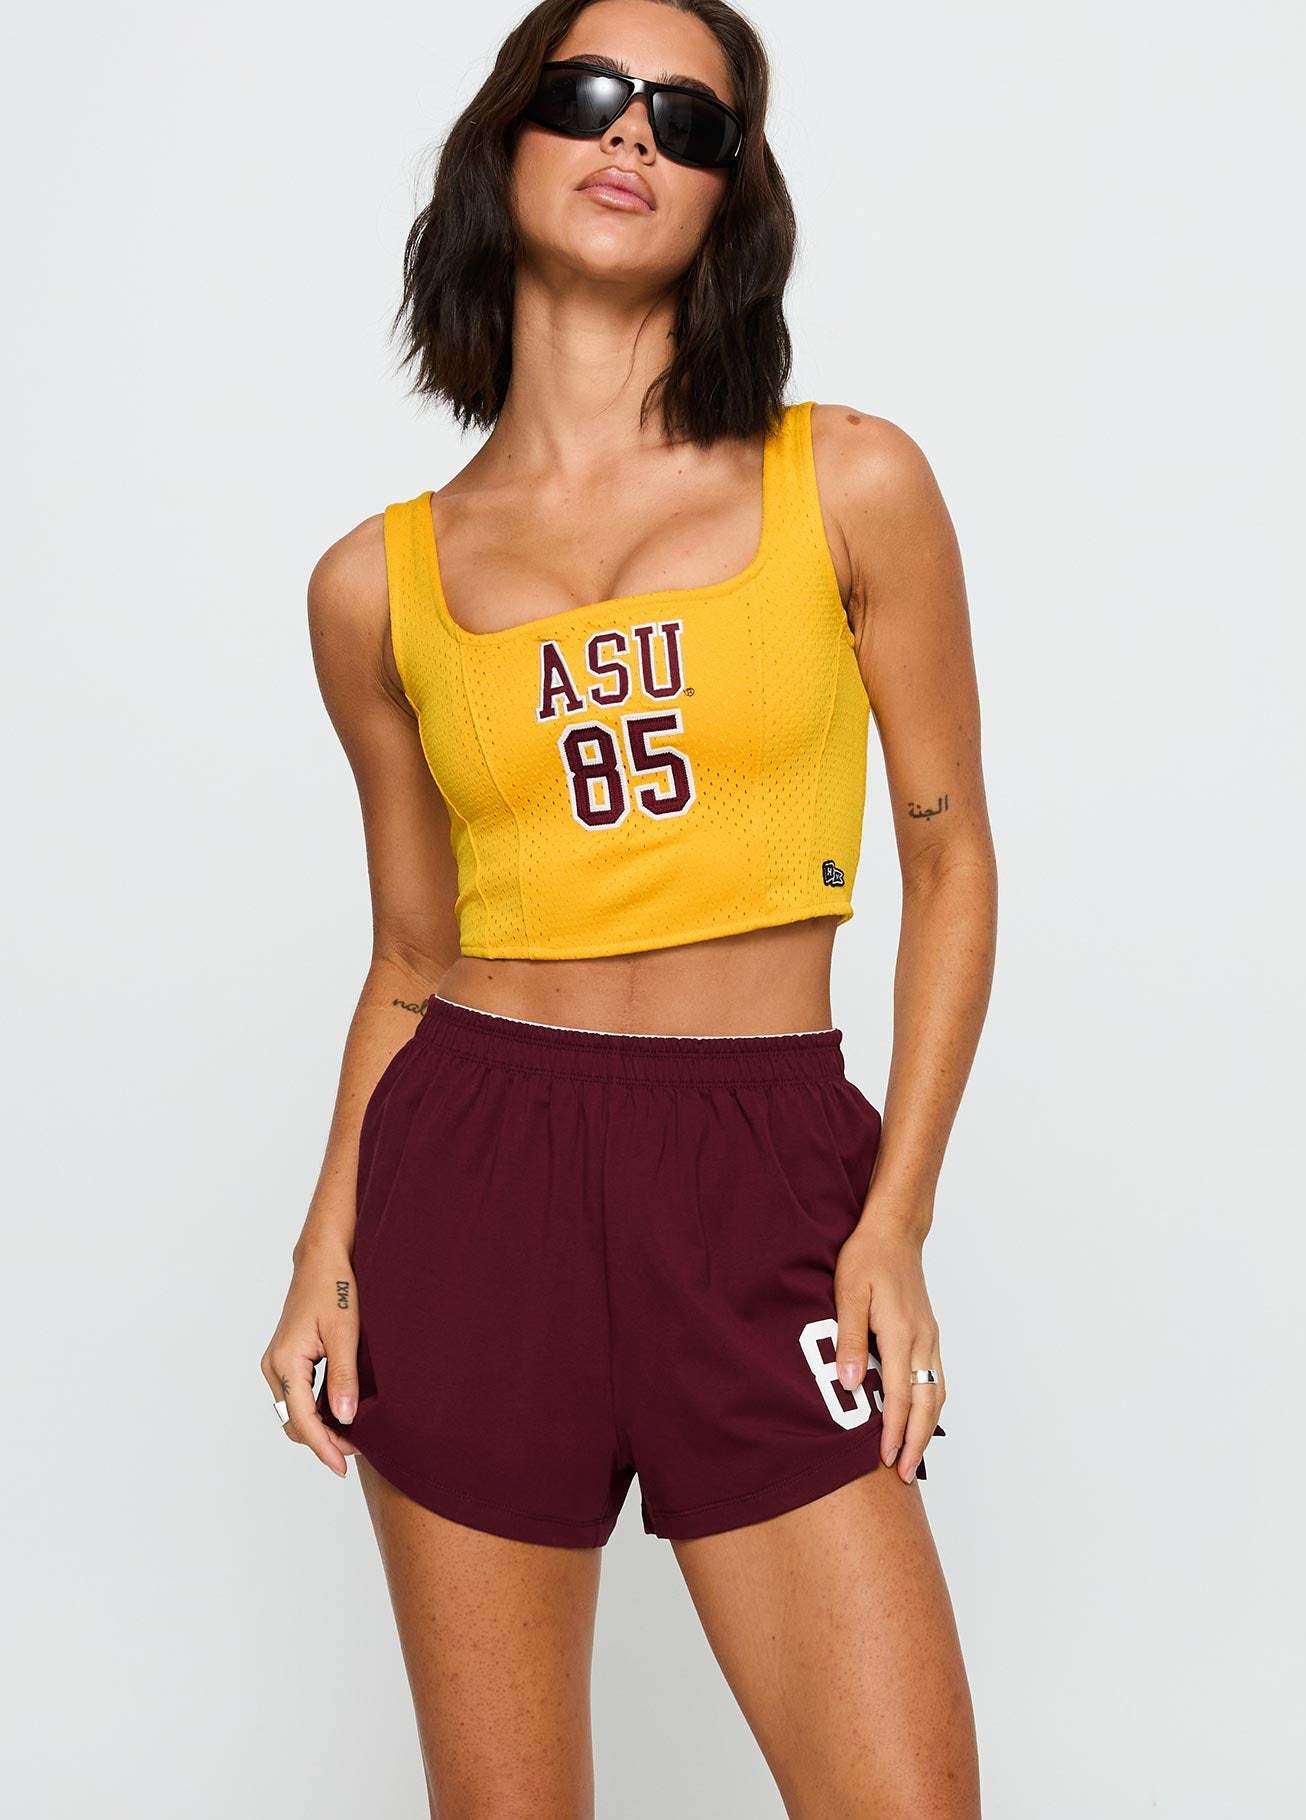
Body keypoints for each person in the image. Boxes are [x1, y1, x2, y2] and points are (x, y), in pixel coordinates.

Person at [261, 2, 995, 1813]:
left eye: (691, 117)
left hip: (759, 1171)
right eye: (591, 94)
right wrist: (319, 1252)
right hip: (473, 1182)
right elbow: (410, 957)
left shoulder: (851, 481)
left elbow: (952, 860)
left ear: (734, 193)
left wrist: (895, 1218)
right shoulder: (374, 587)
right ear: (503, 144)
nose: (634, 135)